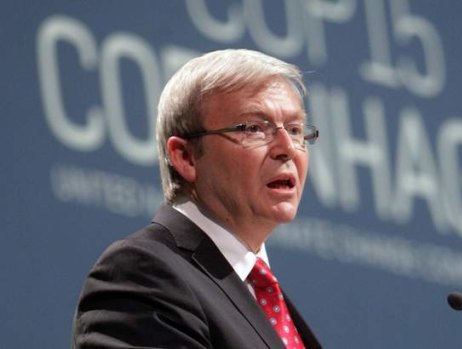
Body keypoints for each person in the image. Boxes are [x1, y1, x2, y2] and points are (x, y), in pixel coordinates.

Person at [72, 49, 322, 349]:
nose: (287, 148)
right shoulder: (142, 274)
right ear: (186, 157)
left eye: (295, 130)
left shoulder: (263, 296)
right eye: (253, 128)